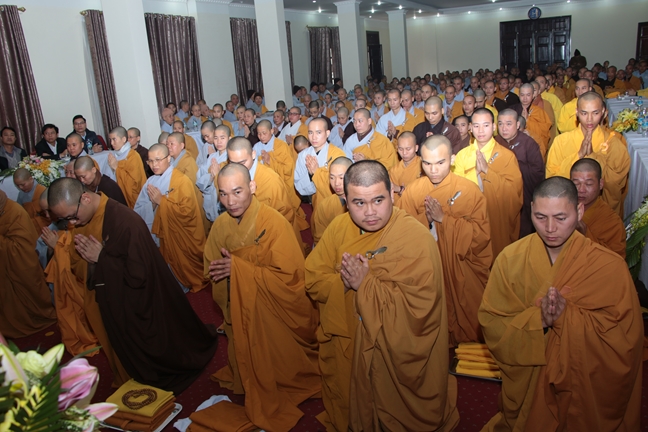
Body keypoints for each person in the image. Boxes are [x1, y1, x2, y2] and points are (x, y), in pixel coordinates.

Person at [305, 160, 460, 431]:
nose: (370, 212)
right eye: (359, 203)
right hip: (349, 341)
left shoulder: (416, 238)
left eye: (378, 200)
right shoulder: (338, 228)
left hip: (394, 359)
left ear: (392, 195)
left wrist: (365, 284)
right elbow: (313, 279)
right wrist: (344, 282)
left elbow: (422, 311)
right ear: (346, 202)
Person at [479, 177, 643, 432]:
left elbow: (625, 340)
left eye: (560, 218)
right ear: (530, 209)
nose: (550, 228)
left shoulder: (609, 267)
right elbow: (492, 324)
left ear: (579, 211)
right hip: (526, 384)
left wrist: (567, 317)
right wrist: (539, 320)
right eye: (540, 217)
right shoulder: (510, 259)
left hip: (580, 393)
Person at [48, 177, 217, 394]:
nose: (71, 223)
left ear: (86, 199)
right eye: (65, 220)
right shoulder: (81, 222)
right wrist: (93, 260)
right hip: (107, 299)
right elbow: (76, 262)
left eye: (72, 216)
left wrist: (102, 258)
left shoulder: (125, 221)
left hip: (138, 302)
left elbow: (141, 274)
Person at [204, 164, 320, 430]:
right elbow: (211, 267)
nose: (230, 201)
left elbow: (291, 277)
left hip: (273, 309)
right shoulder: (220, 225)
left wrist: (239, 269)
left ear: (252, 187)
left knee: (284, 365)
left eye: (237, 192)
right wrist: (231, 274)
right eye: (223, 194)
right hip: (240, 305)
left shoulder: (273, 222)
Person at [399, 135, 492, 345]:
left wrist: (444, 219)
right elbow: (402, 233)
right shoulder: (413, 191)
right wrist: (426, 218)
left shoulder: (469, 191)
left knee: (468, 323)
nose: (433, 170)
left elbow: (481, 236)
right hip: (427, 268)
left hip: (461, 268)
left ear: (452, 159)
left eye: (440, 163)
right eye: (427, 163)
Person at [133, 144, 207, 293]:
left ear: (168, 158)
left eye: (158, 160)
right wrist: (153, 205)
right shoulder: (150, 182)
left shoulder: (181, 181)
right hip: (160, 236)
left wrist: (162, 201)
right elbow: (137, 211)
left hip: (179, 237)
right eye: (150, 161)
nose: (154, 165)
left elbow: (188, 213)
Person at [453, 108, 523, 258]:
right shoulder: (462, 155)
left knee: (497, 258)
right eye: (476, 126)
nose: (480, 130)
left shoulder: (507, 156)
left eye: (485, 125)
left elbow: (514, 194)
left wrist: (487, 171)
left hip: (495, 218)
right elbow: (456, 190)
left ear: (493, 127)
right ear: (470, 128)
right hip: (470, 216)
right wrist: (476, 173)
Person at [546, 92, 629, 217]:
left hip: (600, 212)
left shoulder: (614, 143)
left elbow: (616, 182)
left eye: (595, 113)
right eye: (584, 113)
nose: (589, 119)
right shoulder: (561, 141)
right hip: (567, 210)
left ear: (603, 112)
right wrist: (578, 155)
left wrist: (593, 156)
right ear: (577, 112)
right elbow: (552, 180)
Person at [0, 189, 56, 338]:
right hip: (6, 270)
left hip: (23, 265)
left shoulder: (14, 213)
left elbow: (21, 248)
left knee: (33, 291)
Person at [495, 109, 545, 238]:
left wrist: (513, 165)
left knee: (521, 234)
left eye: (508, 124)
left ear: (517, 125)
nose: (504, 128)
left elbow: (538, 173)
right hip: (499, 197)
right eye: (500, 124)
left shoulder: (529, 143)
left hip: (523, 196)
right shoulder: (495, 142)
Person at [253, 120, 308, 232]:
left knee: (284, 213)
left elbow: (288, 168)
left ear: (272, 131)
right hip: (264, 185)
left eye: (264, 133)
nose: (261, 136)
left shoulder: (281, 145)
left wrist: (270, 161)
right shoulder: (256, 147)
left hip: (280, 184)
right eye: (259, 134)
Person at [570, 158, 626, 258]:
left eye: (588, 184)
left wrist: (585, 234)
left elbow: (617, 261)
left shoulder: (612, 222)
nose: (581, 190)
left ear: (600, 184)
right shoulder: (559, 209)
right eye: (576, 183)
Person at [294, 118, 346, 209]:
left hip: (337, 205)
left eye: (318, 132)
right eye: (310, 132)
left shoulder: (337, 154)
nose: (314, 137)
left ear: (327, 133)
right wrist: (310, 175)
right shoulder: (303, 155)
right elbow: (299, 187)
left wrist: (316, 172)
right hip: (317, 204)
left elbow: (341, 186)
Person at [311, 156, 352, 245]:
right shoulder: (325, 205)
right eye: (332, 178)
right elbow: (320, 238)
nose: (336, 183)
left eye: (341, 178)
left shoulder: (364, 202)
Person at [106, 126, 147, 208]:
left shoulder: (133, 156)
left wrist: (117, 168)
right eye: (110, 140)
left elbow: (135, 184)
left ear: (124, 139)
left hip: (134, 201)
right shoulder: (114, 155)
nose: (112, 143)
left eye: (114, 139)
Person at [518, 83, 552, 159]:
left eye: (528, 95)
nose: (525, 98)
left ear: (533, 95)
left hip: (534, 145)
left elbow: (545, 132)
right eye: (522, 95)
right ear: (518, 95)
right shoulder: (513, 110)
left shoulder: (539, 112)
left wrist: (527, 121)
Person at [388, 132, 422, 206]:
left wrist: (400, 189)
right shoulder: (393, 171)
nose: (404, 153)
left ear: (416, 148)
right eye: (400, 149)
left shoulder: (423, 166)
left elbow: (423, 192)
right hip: (400, 210)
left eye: (408, 149)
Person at [13, 168, 50, 232]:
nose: (20, 188)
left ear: (31, 179)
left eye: (23, 184)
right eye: (17, 186)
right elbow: (20, 212)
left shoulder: (42, 189)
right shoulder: (21, 195)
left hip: (48, 225)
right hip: (32, 227)